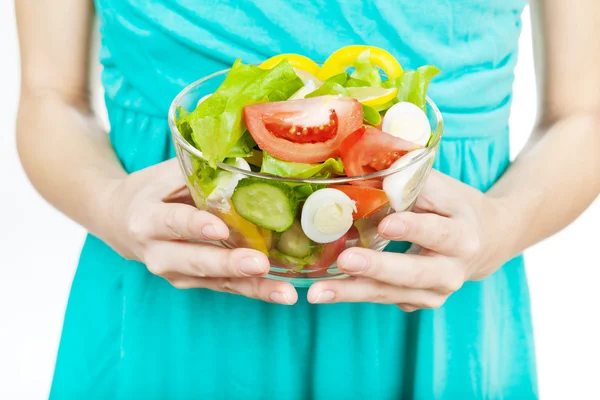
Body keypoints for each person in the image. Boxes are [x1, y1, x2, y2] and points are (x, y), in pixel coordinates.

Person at [15, 0, 600, 398]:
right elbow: (49, 94)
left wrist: (499, 227)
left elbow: (583, 113)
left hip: (436, 290)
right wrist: (111, 205)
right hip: (167, 283)